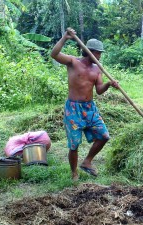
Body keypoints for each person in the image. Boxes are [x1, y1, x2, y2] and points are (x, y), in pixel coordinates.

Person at [50, 28, 119, 181]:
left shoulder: (97, 69)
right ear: (90, 51)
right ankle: (74, 172)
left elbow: (99, 90)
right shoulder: (73, 62)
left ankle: (87, 161)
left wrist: (109, 83)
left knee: (104, 136)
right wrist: (65, 38)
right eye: (98, 53)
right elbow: (54, 54)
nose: (100, 56)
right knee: (74, 144)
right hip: (73, 109)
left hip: (90, 108)